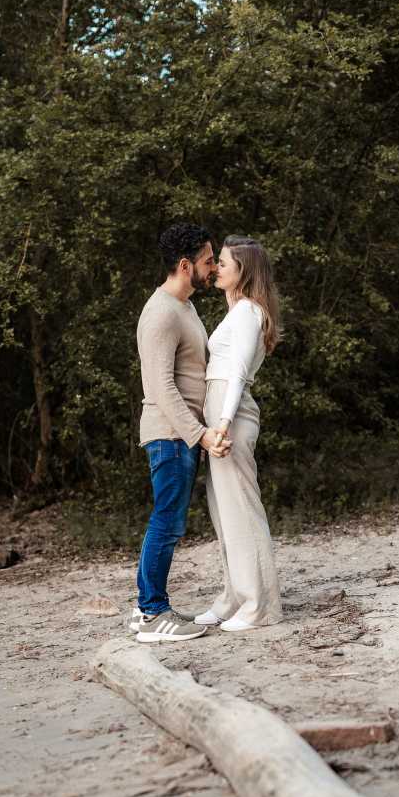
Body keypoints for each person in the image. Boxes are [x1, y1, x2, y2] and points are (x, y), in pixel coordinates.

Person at [131, 223, 229, 643]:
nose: (213, 268)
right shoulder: (161, 313)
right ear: (186, 265)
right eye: (208, 261)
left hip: (182, 434)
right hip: (170, 435)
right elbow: (160, 387)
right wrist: (199, 435)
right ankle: (152, 613)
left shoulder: (185, 307)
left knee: (169, 522)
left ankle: (144, 611)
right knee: (166, 523)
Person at [194, 235, 283, 632]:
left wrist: (223, 423)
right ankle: (233, 597)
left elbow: (237, 373)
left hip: (230, 413)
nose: (216, 268)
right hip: (218, 410)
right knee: (224, 512)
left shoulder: (249, 311)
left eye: (224, 263)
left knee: (243, 511)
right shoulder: (238, 309)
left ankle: (260, 606)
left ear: (243, 271)